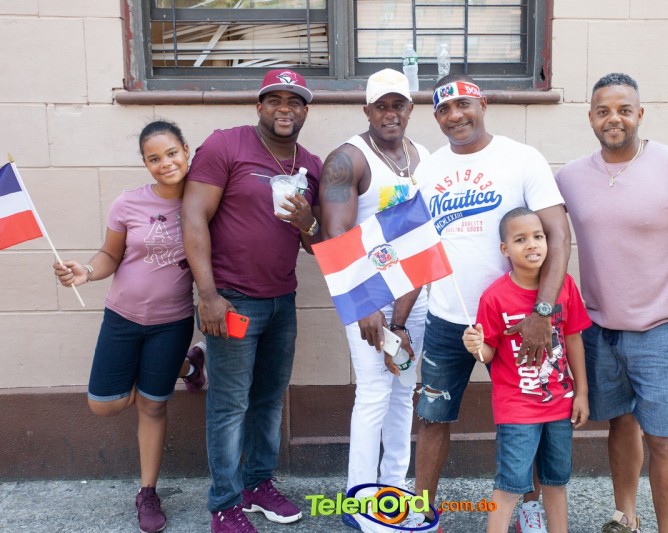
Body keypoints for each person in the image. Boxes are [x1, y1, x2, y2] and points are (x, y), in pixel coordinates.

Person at [555, 73, 668, 533]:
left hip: (662, 328)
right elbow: (541, 234)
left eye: (623, 110)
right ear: (590, 117)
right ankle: (625, 517)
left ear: (640, 113)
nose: (613, 119)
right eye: (603, 111)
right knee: (619, 424)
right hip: (599, 329)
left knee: (661, 437)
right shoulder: (570, 177)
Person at [413, 74, 572, 531]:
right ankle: (423, 512)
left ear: (482, 104)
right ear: (436, 118)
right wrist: (400, 321)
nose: (455, 116)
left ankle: (530, 508)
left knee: (533, 414)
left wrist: (543, 312)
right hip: (450, 318)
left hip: (520, 320)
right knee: (433, 416)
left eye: (463, 104)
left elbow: (559, 236)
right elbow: (416, 248)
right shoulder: (428, 170)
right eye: (444, 109)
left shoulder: (521, 158)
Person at [181, 69, 323, 533]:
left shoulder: (310, 165)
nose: (285, 108)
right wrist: (208, 295)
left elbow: (315, 245)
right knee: (229, 406)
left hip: (283, 301)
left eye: (295, 101)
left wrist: (307, 222)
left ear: (305, 111)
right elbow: (194, 216)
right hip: (232, 300)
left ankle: (257, 485)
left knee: (268, 400)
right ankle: (224, 506)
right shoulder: (227, 145)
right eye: (275, 100)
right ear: (259, 107)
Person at [53, 120, 206, 533]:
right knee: (103, 404)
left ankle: (147, 492)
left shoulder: (205, 202)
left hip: (171, 323)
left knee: (152, 405)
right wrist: (86, 272)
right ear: (145, 163)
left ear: (186, 150)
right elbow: (110, 254)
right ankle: (187, 366)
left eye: (171, 153)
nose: (165, 163)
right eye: (154, 158)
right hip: (122, 318)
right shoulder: (128, 203)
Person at [318, 68, 429, 533]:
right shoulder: (348, 158)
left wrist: (402, 317)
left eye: (398, 105)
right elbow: (335, 234)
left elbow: (422, 239)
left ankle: (393, 489)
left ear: (410, 108)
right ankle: (359, 499)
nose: (390, 113)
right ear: (367, 110)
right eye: (381, 106)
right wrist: (365, 306)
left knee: (403, 390)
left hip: (412, 295)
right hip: (367, 296)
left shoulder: (422, 156)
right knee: (374, 393)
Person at [462, 207, 590, 533]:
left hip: (560, 404)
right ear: (505, 249)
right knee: (509, 486)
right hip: (517, 408)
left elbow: (573, 338)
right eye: (520, 240)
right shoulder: (494, 297)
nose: (532, 244)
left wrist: (582, 393)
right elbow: (488, 354)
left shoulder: (565, 285)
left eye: (538, 236)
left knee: (556, 483)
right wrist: (476, 345)